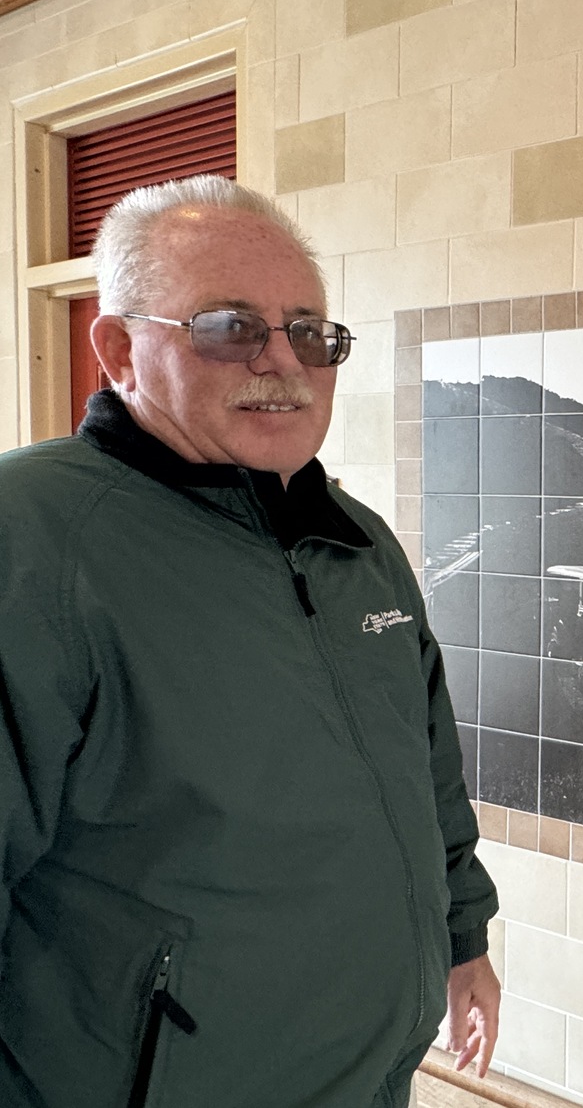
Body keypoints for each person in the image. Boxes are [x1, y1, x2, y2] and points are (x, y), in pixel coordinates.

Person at [0, 176, 499, 1108]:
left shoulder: (354, 541)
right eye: (230, 327)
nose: (285, 362)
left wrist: (464, 937)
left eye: (310, 331)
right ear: (118, 350)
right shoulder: (33, 536)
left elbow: (427, 772)